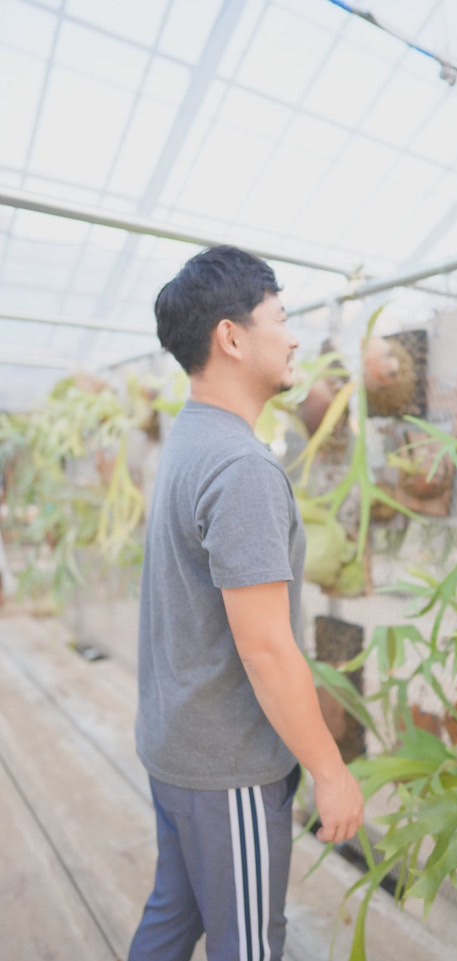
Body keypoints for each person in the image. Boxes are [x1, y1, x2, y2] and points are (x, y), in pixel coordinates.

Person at [128, 245, 364, 961]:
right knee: (252, 945)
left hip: (176, 748)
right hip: (226, 767)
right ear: (231, 336)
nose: (294, 336)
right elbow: (266, 649)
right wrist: (331, 771)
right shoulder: (240, 467)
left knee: (173, 917)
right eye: (281, 316)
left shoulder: (192, 436)